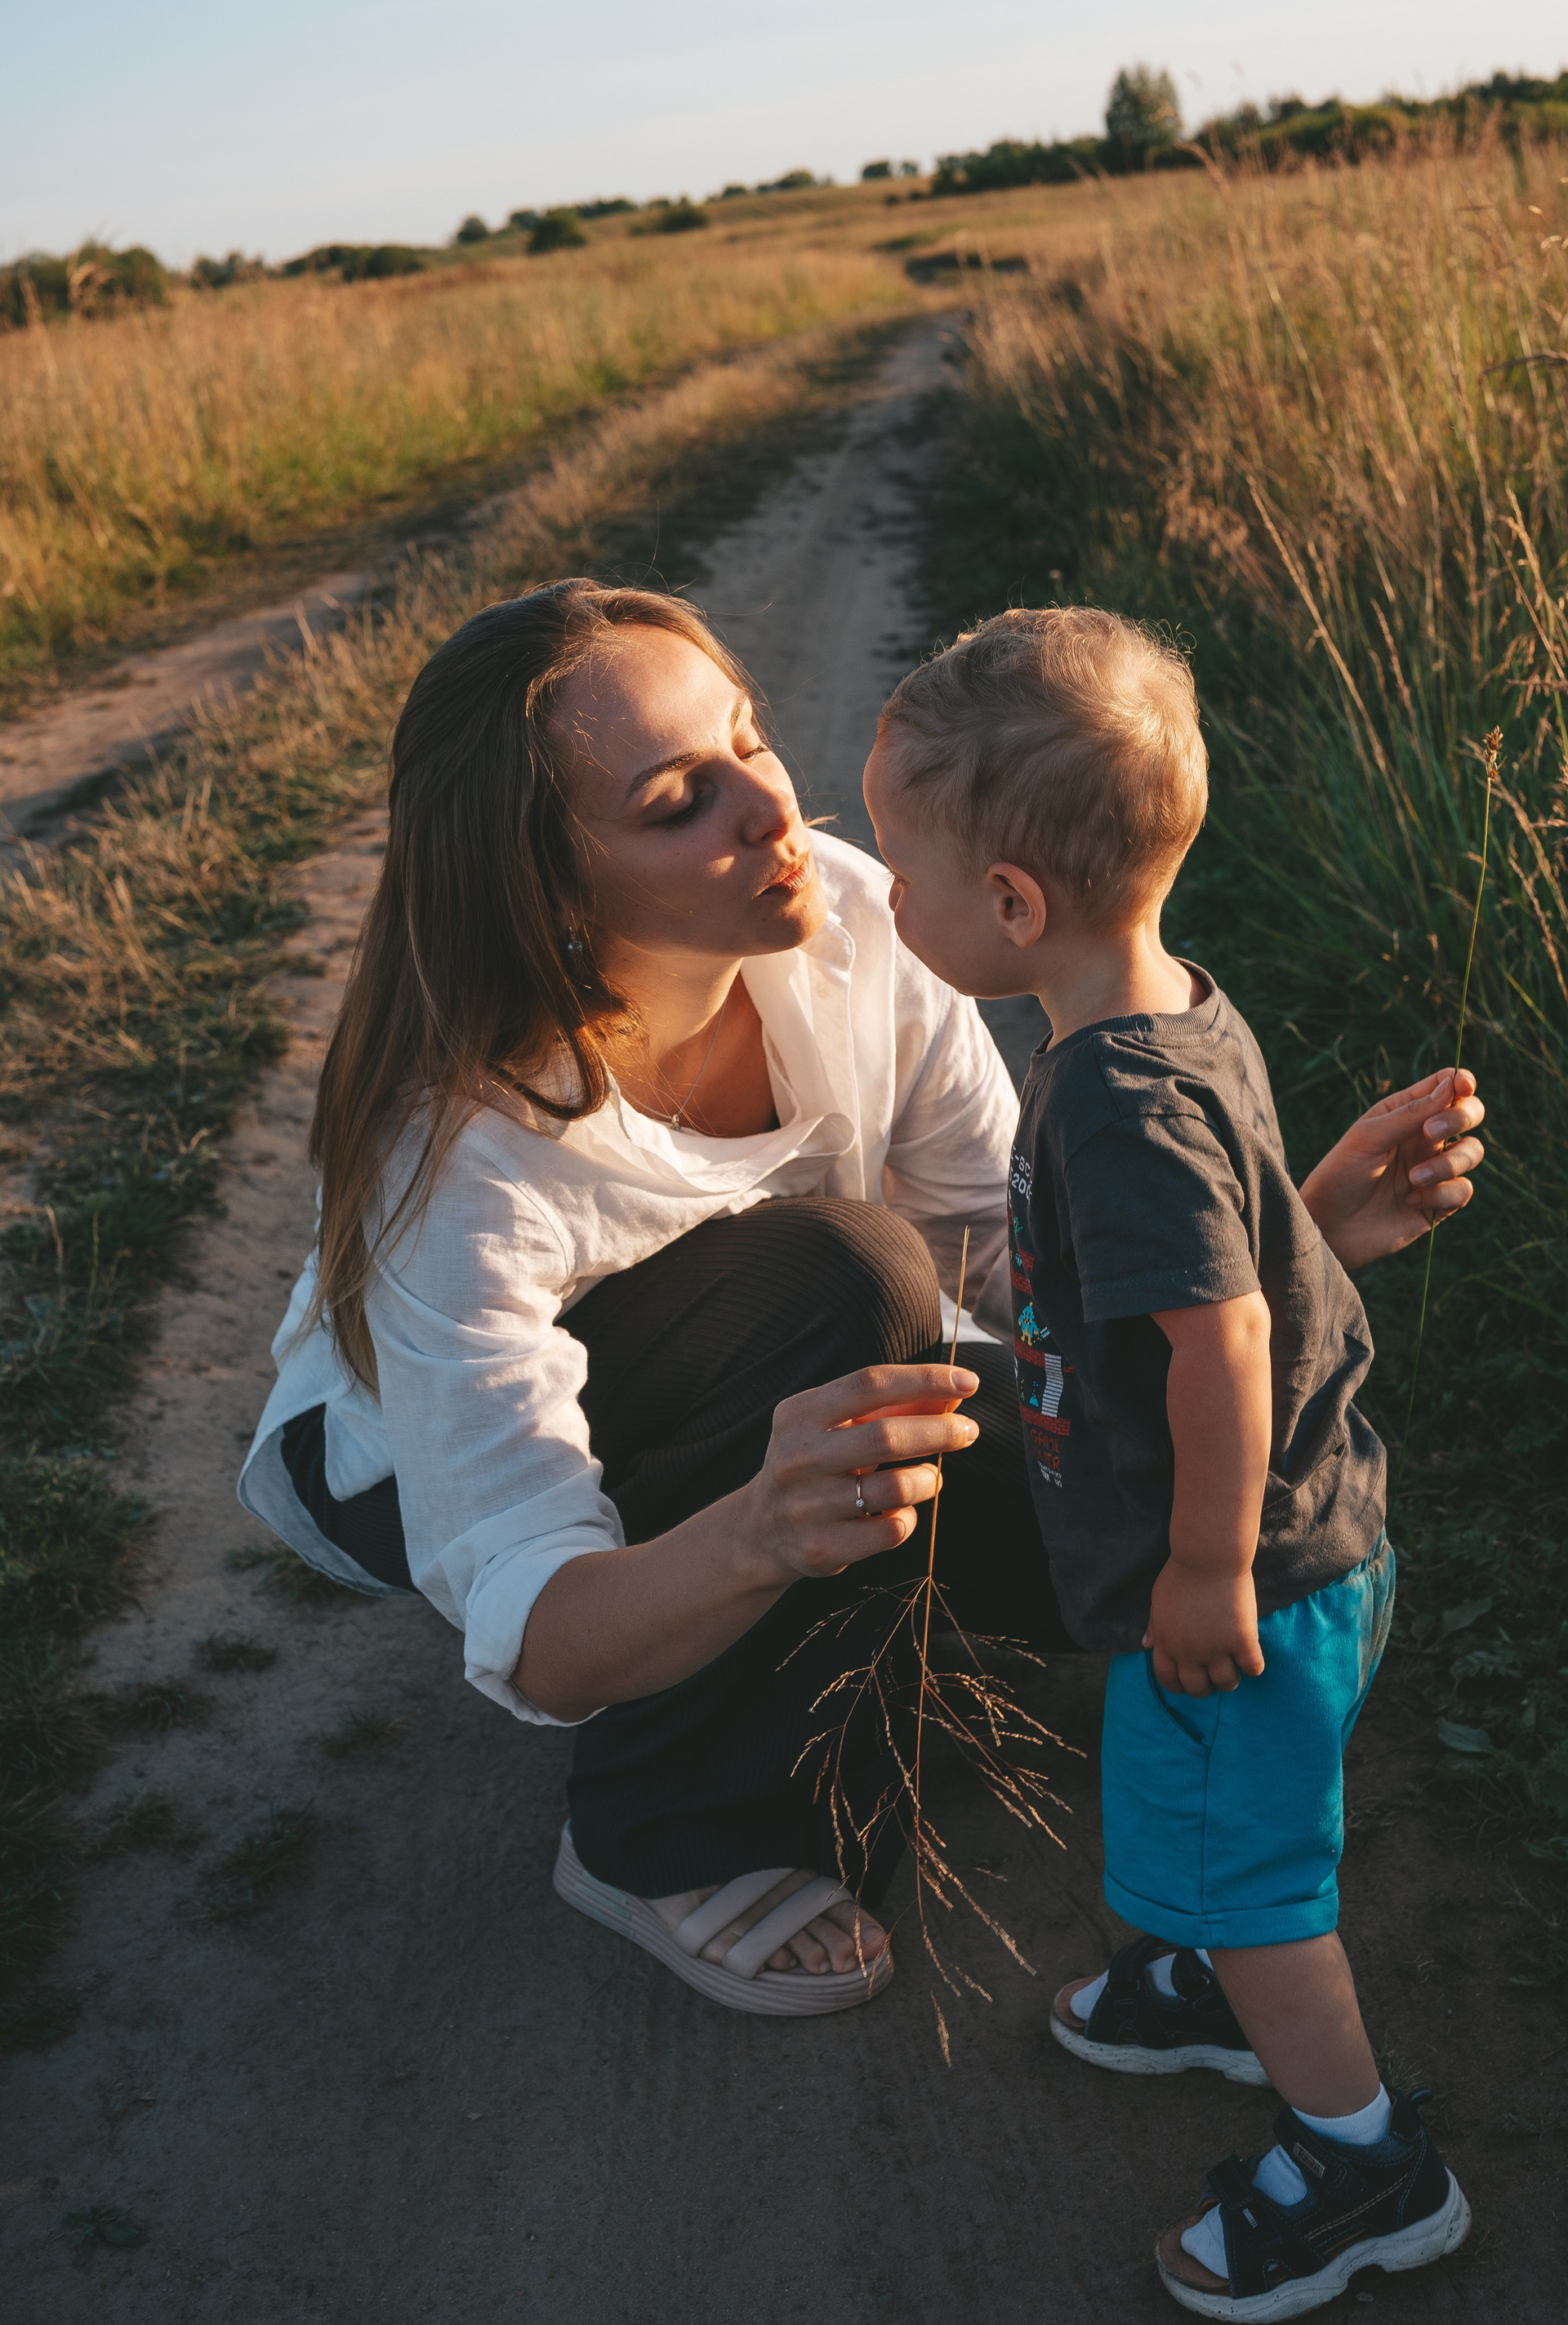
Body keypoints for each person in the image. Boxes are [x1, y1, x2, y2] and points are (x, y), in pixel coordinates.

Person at [238, 579, 1487, 2029]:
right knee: (853, 1275)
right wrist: (761, 1534)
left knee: (1126, 1539)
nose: (770, 808)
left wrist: (1279, 1248)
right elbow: (541, 1633)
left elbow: (1013, 1257)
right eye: (679, 802)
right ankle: (661, 1834)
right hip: (439, 1472)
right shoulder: (460, 1157)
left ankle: (803, 1582)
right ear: (549, 894)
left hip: (785, 1375)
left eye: (750, 740)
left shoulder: (846, 919)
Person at [862, 604, 1471, 2315]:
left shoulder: (1110, 1098)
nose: (883, 901)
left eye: (901, 873)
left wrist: (1203, 1570)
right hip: (1305, 1541)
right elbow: (1246, 1261)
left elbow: (1225, 1342)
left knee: (1263, 1881)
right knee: (1223, 1834)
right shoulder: (1170, 1009)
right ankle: (1205, 1983)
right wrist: (1336, 1210)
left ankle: (1364, 2160)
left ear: (1012, 905)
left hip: (1245, 1581)